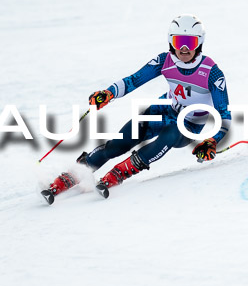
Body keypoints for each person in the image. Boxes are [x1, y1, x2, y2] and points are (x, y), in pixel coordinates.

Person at [41, 15, 231, 204]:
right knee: (117, 145)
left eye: (190, 42)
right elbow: (134, 80)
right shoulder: (164, 60)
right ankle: (76, 173)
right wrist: (108, 93)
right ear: (170, 41)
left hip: (188, 124)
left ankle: (121, 172)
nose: (184, 48)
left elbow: (225, 114)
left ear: (200, 42)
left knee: (171, 133)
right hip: (163, 109)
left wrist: (213, 141)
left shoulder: (212, 72)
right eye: (178, 41)